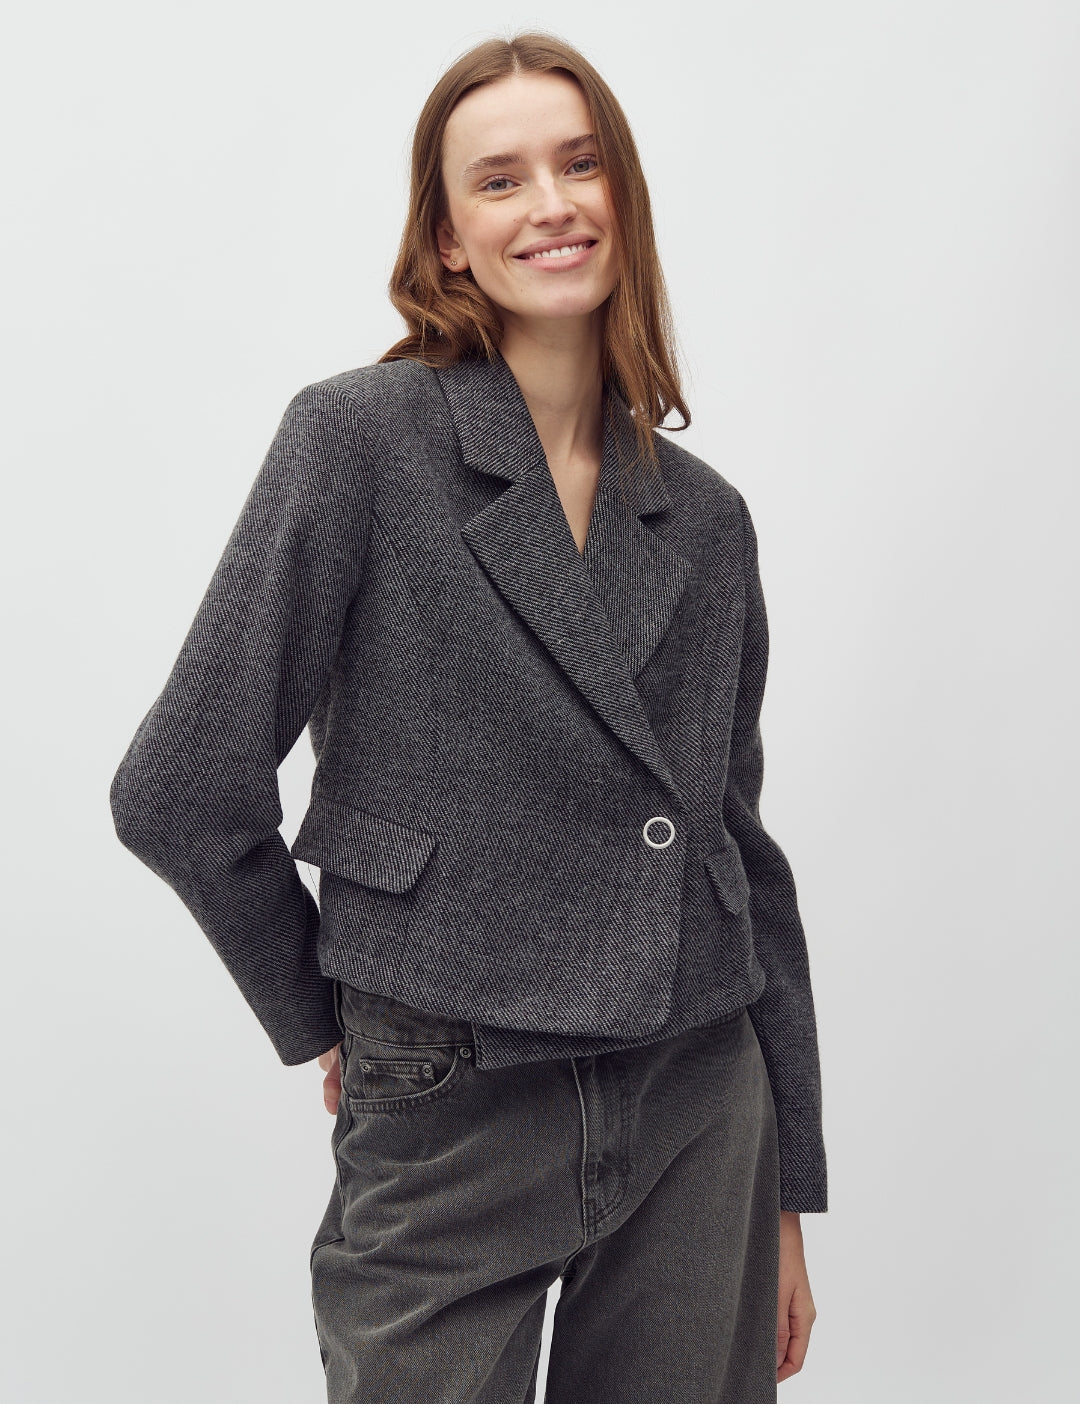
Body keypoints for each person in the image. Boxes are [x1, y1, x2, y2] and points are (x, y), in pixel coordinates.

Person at [110, 29, 827, 1404]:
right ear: (447, 239)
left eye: (580, 163)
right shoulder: (362, 440)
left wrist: (787, 1187)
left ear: (624, 195)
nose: (550, 204)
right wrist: (326, 1012)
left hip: (698, 1096)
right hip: (450, 1089)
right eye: (499, 180)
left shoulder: (704, 518)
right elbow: (179, 789)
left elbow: (741, 852)